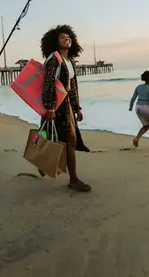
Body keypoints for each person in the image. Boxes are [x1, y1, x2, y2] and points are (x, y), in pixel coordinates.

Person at [40, 24, 91, 192]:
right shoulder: (54, 58)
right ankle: (73, 179)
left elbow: (73, 86)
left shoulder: (70, 61)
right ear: (55, 42)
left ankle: (43, 161)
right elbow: (47, 84)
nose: (66, 38)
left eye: (68, 37)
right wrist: (50, 108)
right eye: (62, 37)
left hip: (67, 103)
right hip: (57, 104)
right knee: (67, 138)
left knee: (65, 138)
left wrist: (77, 107)